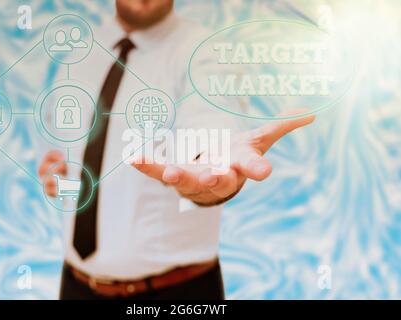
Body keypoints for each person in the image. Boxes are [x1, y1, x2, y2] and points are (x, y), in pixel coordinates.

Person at [38, 0, 315, 300]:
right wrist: (57, 171)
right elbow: (65, 144)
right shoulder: (80, 52)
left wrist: (209, 166)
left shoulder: (207, 53)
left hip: (176, 295)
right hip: (75, 286)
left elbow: (211, 120)